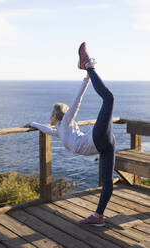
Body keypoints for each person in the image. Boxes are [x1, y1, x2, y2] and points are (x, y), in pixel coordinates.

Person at [24, 42, 115, 226]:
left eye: (50, 114)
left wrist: (86, 79)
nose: (48, 117)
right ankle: (98, 216)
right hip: (102, 144)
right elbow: (46, 129)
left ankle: (88, 67)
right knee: (108, 182)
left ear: (56, 116)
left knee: (109, 99)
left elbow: (77, 101)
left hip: (96, 139)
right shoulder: (59, 131)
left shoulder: (66, 121)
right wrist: (32, 124)